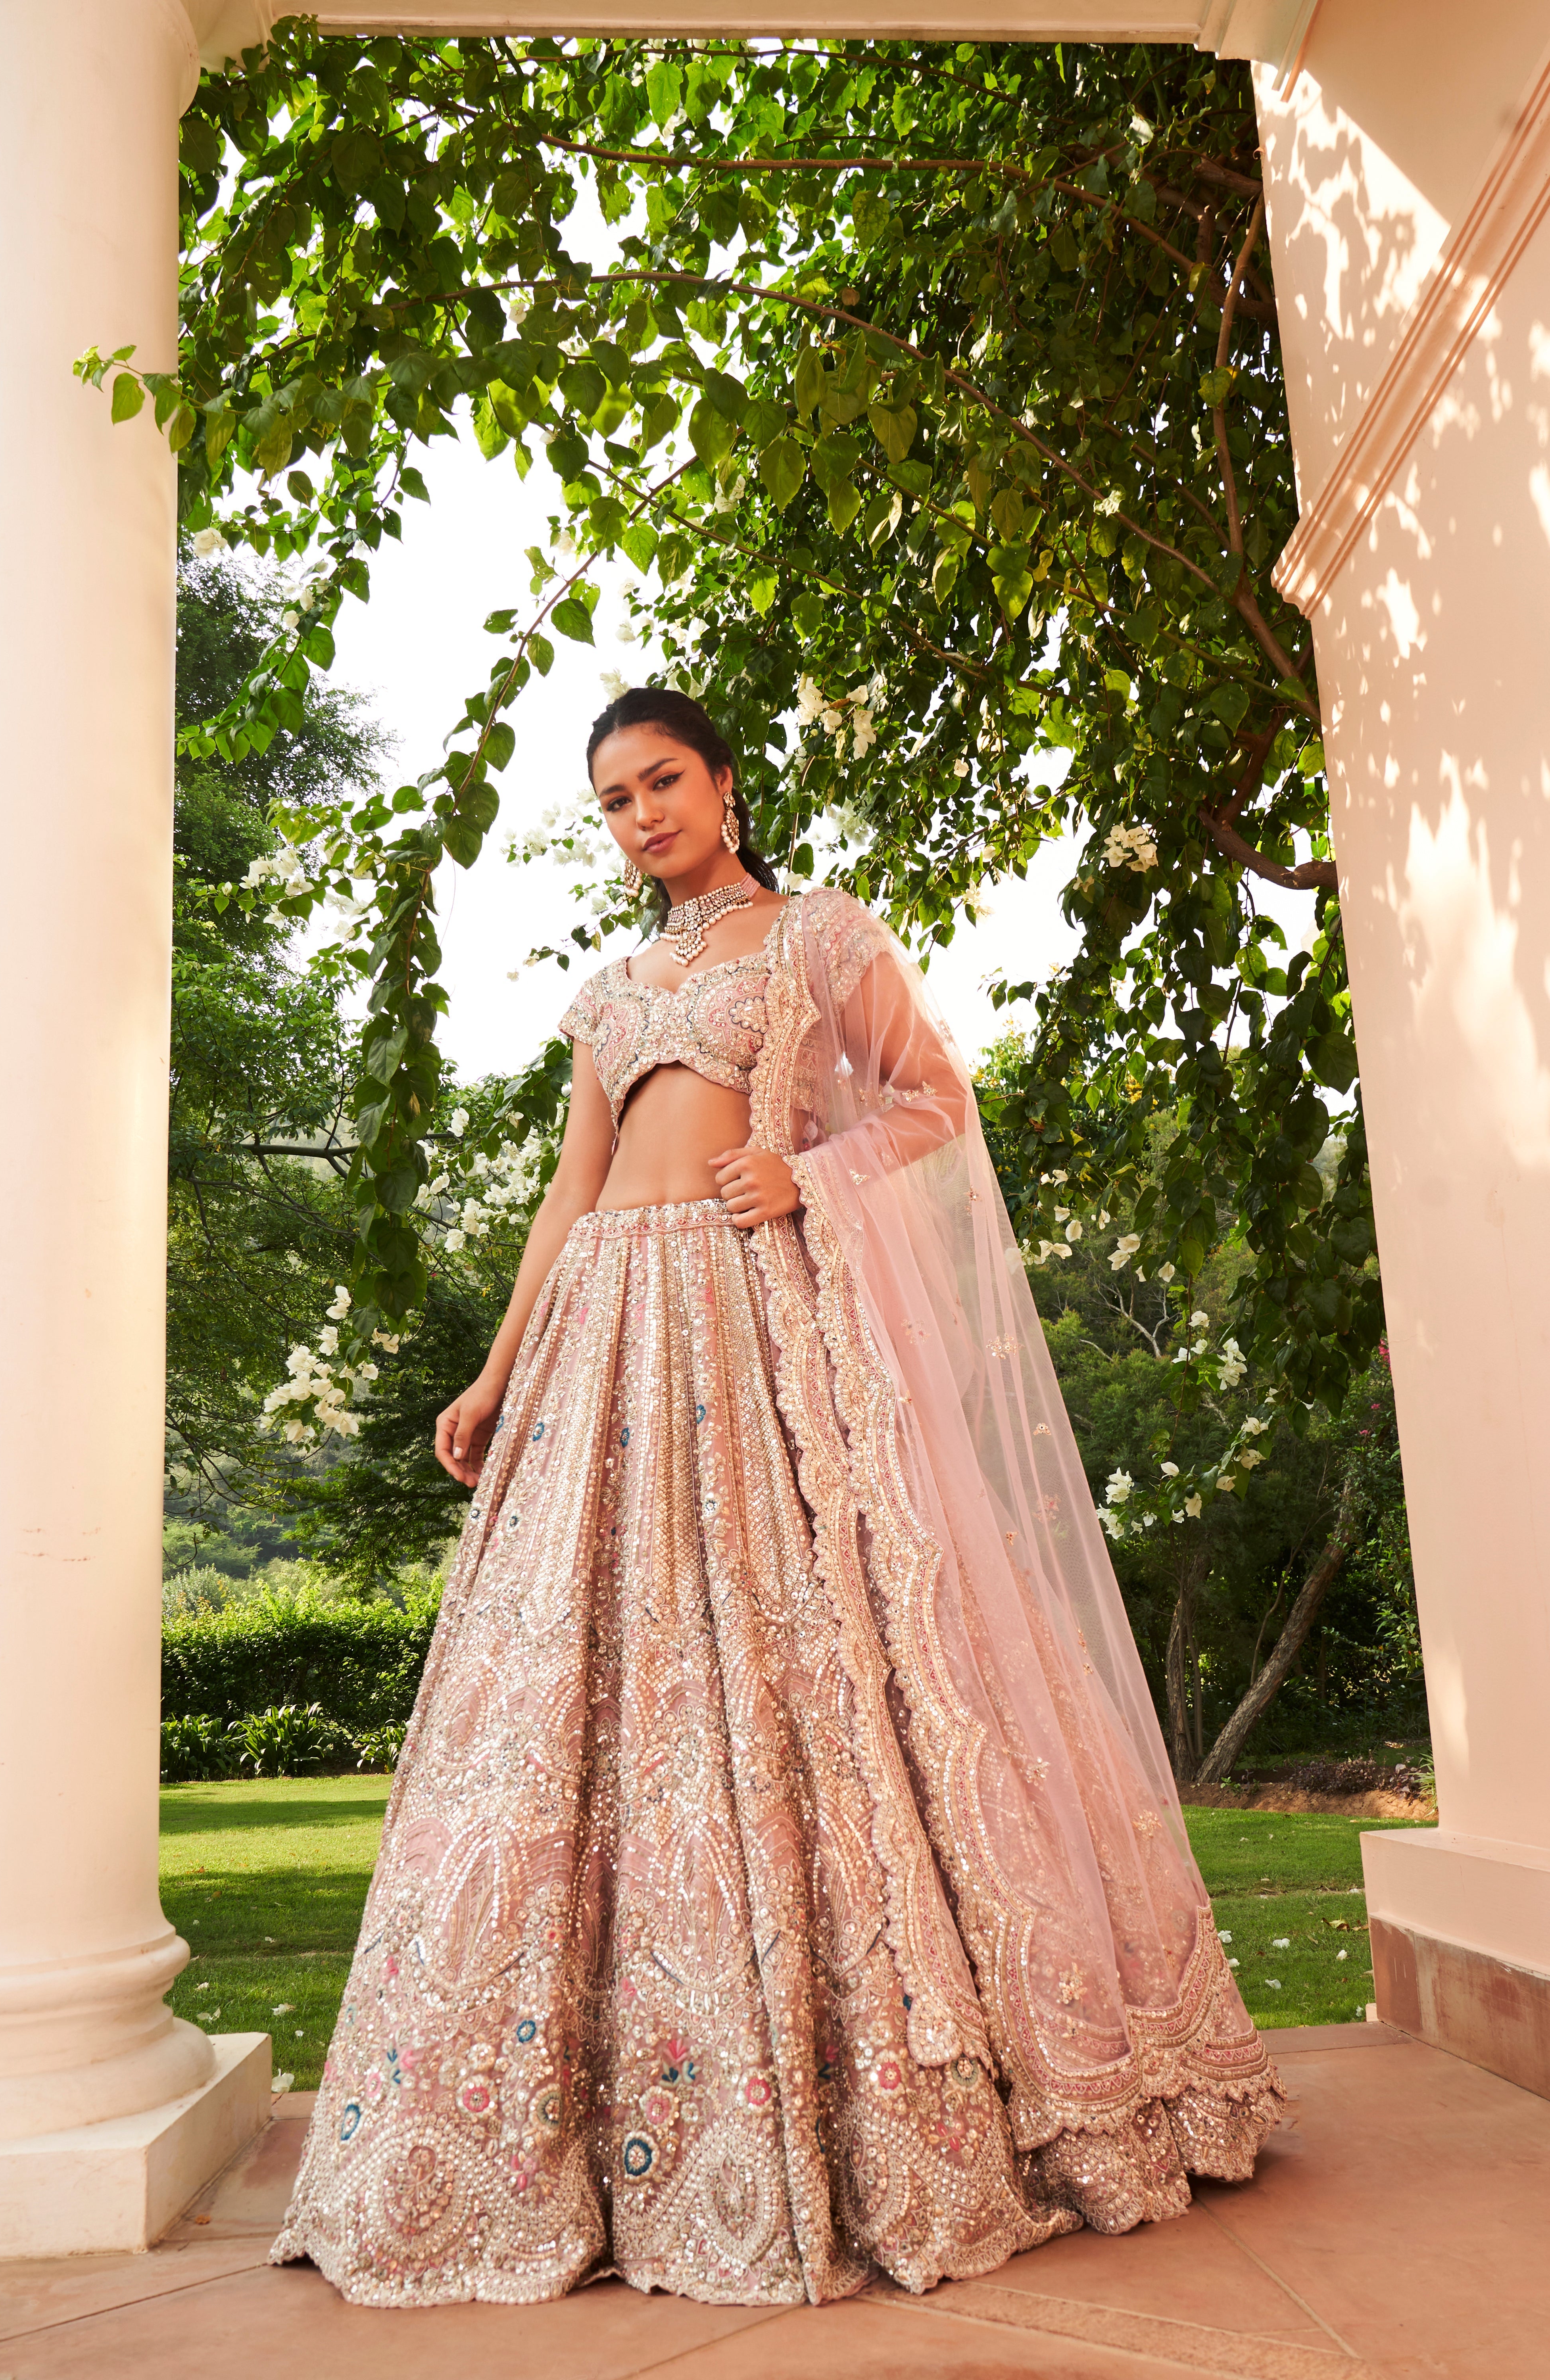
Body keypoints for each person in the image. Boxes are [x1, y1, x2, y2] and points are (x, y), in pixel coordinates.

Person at [273, 686, 1282, 2309]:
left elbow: (933, 1099)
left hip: (756, 1336)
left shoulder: (813, 936)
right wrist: (493, 1372)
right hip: (608, 1335)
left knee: (822, 1672)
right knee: (574, 1704)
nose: (640, 816)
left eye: (661, 781)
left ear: (726, 783)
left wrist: (802, 1174)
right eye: (610, 799)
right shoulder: (611, 992)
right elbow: (571, 1193)